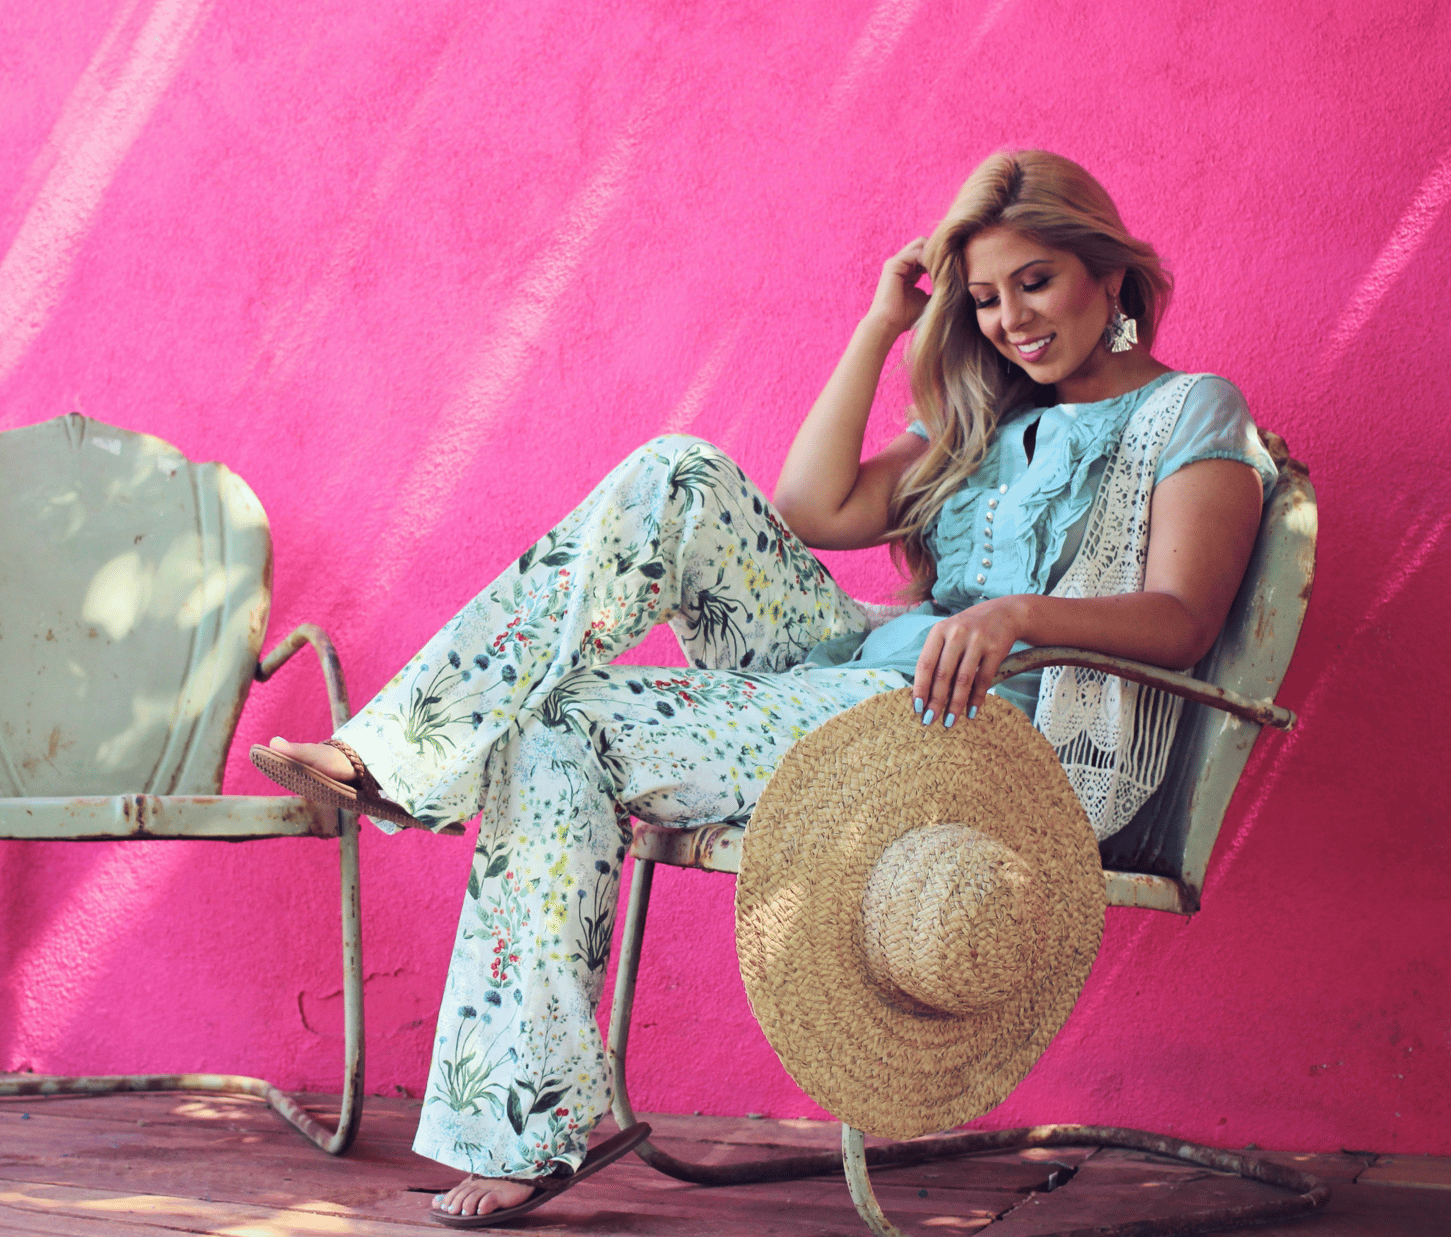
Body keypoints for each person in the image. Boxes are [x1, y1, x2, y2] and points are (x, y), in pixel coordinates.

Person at [253, 150, 1277, 1225]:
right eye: (983, 298)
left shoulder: (1190, 412)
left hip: (974, 731)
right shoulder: (984, 419)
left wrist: (1018, 615)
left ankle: (516, 1113)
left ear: (1108, 277)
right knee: (678, 472)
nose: (1011, 319)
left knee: (558, 723)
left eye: (1036, 281)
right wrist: (883, 327)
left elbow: (1182, 618)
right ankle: (401, 751)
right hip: (852, 674)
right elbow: (811, 509)